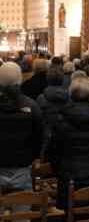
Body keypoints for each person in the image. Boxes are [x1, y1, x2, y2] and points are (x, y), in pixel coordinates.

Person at [47, 75, 89, 211]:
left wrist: (60, 172)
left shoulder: (61, 119)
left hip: (69, 177)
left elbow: (53, 152)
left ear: (70, 94)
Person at [0, 62, 43, 197]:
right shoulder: (32, 106)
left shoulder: (31, 106)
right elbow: (39, 137)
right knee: (23, 214)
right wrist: (33, 157)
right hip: (22, 167)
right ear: (20, 79)